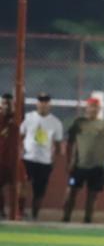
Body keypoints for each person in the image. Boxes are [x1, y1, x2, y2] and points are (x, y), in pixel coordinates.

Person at [62, 97, 104, 223]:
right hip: (79, 165)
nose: (93, 109)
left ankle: (88, 220)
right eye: (91, 106)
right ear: (86, 108)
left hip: (97, 166)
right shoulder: (78, 123)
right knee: (71, 192)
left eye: (96, 107)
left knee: (93, 195)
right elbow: (70, 143)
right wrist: (69, 161)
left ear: (99, 109)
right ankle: (65, 218)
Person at [19, 92, 64, 220]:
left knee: (39, 191)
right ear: (37, 103)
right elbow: (20, 136)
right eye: (41, 101)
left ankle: (34, 215)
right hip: (28, 158)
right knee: (23, 186)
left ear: (49, 104)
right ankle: (20, 212)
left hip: (44, 161)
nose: (43, 104)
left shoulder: (56, 123)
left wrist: (53, 160)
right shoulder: (28, 118)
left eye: (46, 101)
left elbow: (59, 145)